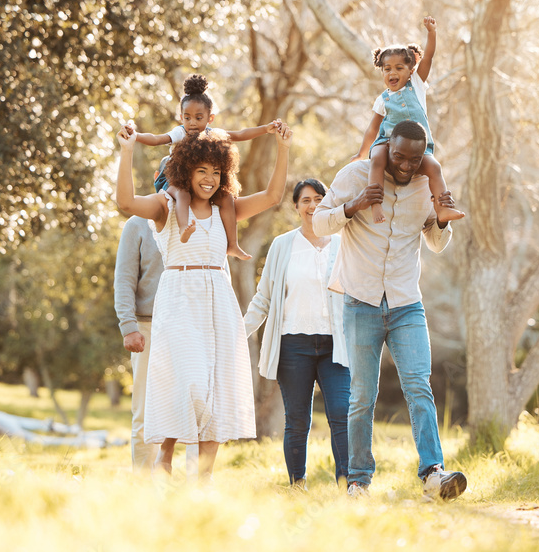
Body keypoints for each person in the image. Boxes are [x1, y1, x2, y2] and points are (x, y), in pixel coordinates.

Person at [115, 119, 293, 480]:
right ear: (185, 170)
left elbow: (273, 197)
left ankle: (202, 482)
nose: (209, 178)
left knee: (218, 391)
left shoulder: (224, 210)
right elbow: (125, 202)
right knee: (190, 382)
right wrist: (127, 149)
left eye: (216, 171)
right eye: (201, 171)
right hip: (180, 299)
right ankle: (165, 455)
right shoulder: (167, 207)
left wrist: (284, 147)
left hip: (219, 303)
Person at [313, 119, 467, 501]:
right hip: (360, 302)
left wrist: (444, 223)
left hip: (405, 303)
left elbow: (434, 243)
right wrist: (353, 206)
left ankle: (433, 473)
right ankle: (359, 481)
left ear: (424, 157)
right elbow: (318, 222)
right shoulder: (355, 175)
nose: (406, 166)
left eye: (415, 159)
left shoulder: (425, 185)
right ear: (386, 147)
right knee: (362, 396)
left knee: (419, 386)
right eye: (399, 156)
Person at [243, 179, 350, 488]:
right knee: (298, 419)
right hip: (294, 345)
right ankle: (297, 484)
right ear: (296, 206)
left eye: (319, 198)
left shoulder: (343, 243)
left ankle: (349, 485)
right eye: (306, 200)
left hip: (336, 346)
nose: (313, 205)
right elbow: (263, 297)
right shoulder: (282, 245)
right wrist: (239, 333)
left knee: (342, 413)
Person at [127, 73, 283, 260]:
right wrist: (135, 136)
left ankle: (232, 244)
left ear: (210, 118)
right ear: (181, 117)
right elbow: (156, 139)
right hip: (171, 176)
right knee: (183, 194)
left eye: (198, 118)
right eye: (187, 117)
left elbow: (241, 134)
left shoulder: (213, 133)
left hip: (195, 180)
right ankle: (184, 228)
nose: (192, 123)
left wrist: (265, 129)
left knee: (227, 198)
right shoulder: (179, 132)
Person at [113, 190, 198, 474]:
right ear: (157, 181)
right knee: (145, 411)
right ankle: (143, 483)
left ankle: (194, 482)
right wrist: (129, 327)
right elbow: (124, 279)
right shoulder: (137, 224)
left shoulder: (200, 220)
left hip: (190, 327)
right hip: (147, 327)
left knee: (194, 406)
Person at [353, 16, 464, 225]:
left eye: (399, 68)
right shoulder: (382, 99)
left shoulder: (417, 84)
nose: (392, 73)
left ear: (411, 69)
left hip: (418, 147)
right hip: (387, 144)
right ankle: (376, 204)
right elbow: (372, 129)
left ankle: (443, 209)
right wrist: (361, 153)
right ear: (382, 71)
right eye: (387, 69)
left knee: (434, 168)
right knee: (376, 159)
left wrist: (432, 33)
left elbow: (429, 57)